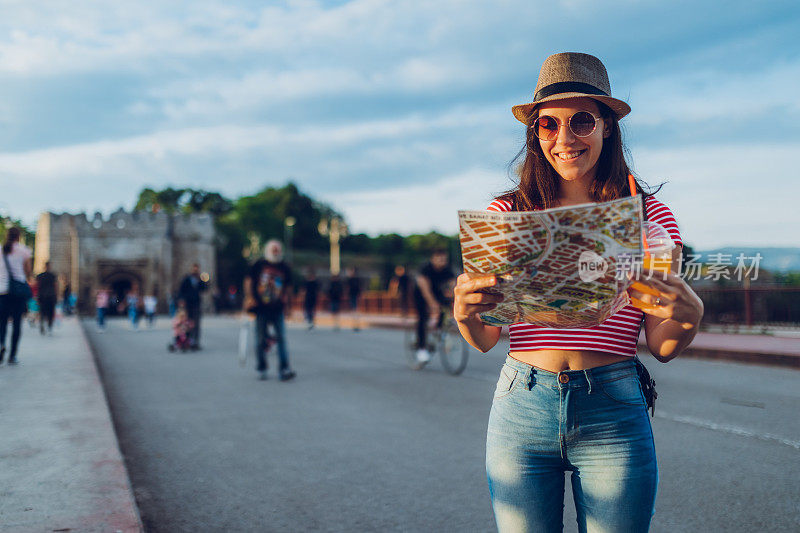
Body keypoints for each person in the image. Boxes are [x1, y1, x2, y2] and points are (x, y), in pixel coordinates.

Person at [453, 52, 704, 532]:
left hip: (612, 406)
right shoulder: (505, 215)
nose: (564, 139)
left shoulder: (650, 219)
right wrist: (465, 312)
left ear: (607, 127)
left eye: (582, 121)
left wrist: (689, 316)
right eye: (548, 124)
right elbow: (484, 338)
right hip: (521, 404)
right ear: (536, 134)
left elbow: (663, 346)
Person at [243, 240, 296, 381]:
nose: (275, 252)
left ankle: (284, 368)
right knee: (260, 339)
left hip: (277, 307)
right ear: (268, 251)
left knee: (282, 338)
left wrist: (289, 307)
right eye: (273, 250)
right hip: (261, 307)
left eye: (277, 250)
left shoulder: (284, 267)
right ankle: (262, 366)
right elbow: (248, 281)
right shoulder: (258, 265)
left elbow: (289, 287)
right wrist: (249, 298)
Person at [412, 249, 455, 364]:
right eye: (440, 259)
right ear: (433, 259)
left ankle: (440, 330)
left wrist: (454, 302)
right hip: (421, 293)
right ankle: (421, 348)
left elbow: (453, 286)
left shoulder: (447, 270)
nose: (442, 261)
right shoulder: (425, 269)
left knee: (444, 308)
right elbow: (425, 290)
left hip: (437, 292)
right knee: (422, 318)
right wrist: (432, 304)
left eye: (444, 259)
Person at [0, 227, 33, 365]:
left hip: (2, 291)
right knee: (17, 324)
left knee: (1, 323)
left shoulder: (1, 249)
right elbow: (28, 271)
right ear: (18, 236)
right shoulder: (24, 250)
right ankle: (12, 355)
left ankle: (1, 344)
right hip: (17, 292)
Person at [178, 264, 208, 349]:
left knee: (197, 323)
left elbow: (204, 289)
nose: (195, 271)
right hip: (188, 304)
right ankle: (187, 340)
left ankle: (196, 342)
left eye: (197, 269)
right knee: (187, 323)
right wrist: (181, 300)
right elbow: (181, 290)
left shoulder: (199, 279)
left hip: (196, 304)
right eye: (194, 269)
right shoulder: (186, 279)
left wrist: (203, 281)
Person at [36, 262, 58, 335]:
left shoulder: (40, 276)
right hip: (50, 296)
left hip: (42, 296)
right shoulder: (53, 276)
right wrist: (56, 295)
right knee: (50, 312)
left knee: (42, 311)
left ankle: (43, 323)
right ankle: (49, 326)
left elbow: (37, 286)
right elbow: (56, 286)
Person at [345, 266, 362, 331]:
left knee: (355, 310)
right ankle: (355, 323)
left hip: (355, 296)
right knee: (354, 310)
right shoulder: (350, 280)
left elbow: (359, 288)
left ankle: (356, 323)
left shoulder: (355, 280)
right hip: (352, 296)